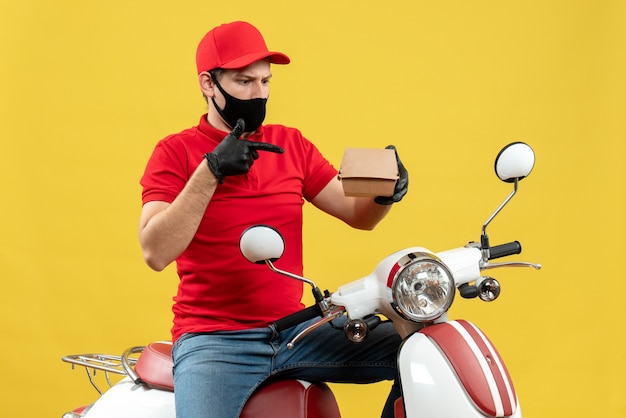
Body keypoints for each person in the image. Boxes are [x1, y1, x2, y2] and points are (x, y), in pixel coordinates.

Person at [139, 21, 409, 418]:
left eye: (265, 81)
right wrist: (211, 170)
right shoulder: (175, 152)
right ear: (208, 84)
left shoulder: (290, 144)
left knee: (422, 349)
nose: (259, 93)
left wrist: (384, 194)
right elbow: (155, 251)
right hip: (214, 341)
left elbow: (357, 215)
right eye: (245, 81)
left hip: (297, 330)